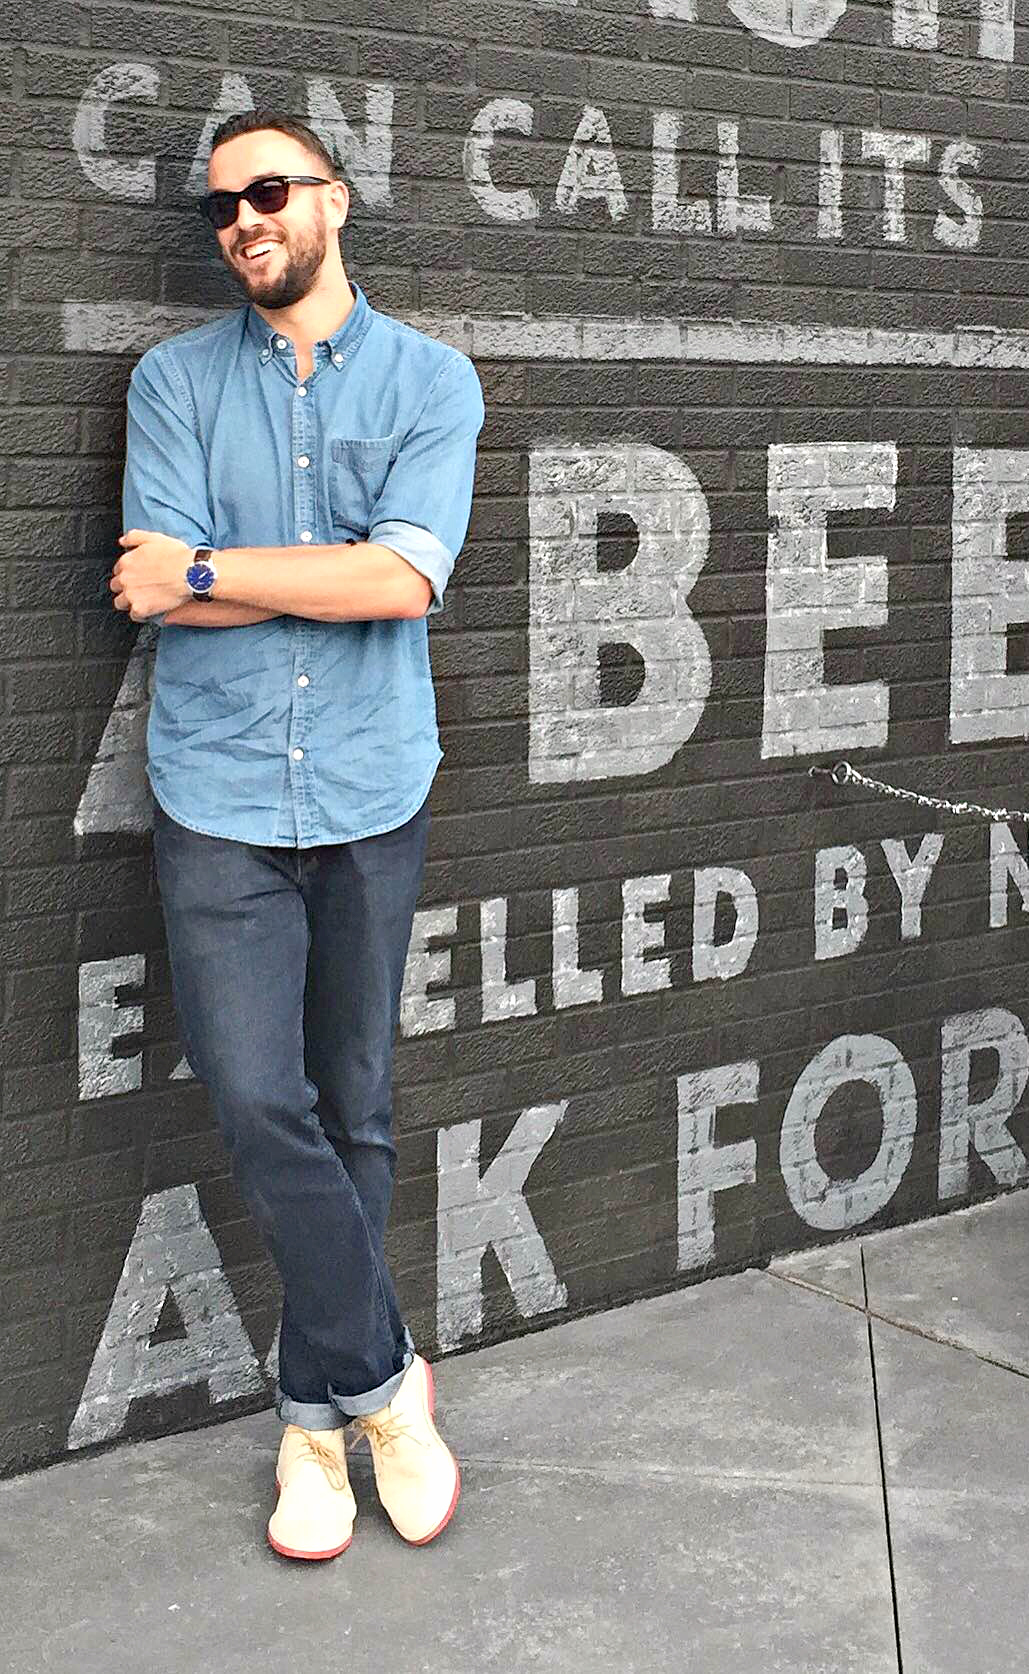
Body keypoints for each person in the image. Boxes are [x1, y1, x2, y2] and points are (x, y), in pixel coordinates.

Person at [111, 110, 484, 1561]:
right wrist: (298, 574)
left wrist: (213, 567)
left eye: (269, 191)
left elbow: (403, 581)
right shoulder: (174, 382)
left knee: (358, 1103)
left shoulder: (431, 380)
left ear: (334, 200)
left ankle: (312, 1424)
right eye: (223, 207)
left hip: (372, 788)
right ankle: (385, 1384)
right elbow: (149, 592)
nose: (245, 221)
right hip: (218, 795)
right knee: (262, 1099)